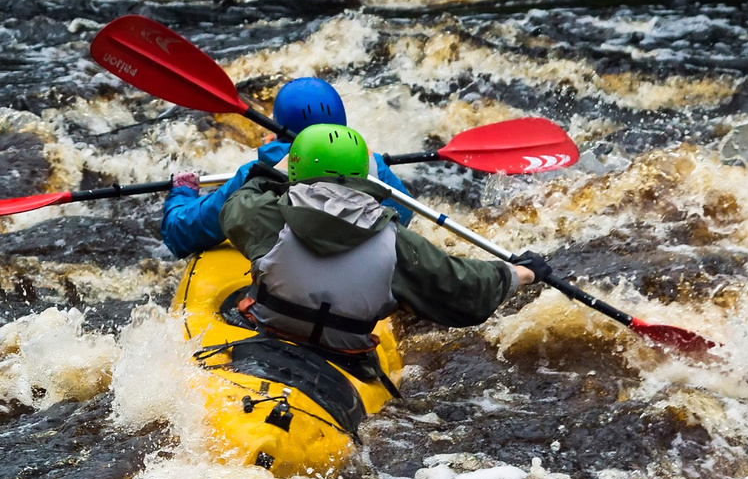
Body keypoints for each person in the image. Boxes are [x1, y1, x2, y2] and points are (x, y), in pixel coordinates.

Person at [215, 123, 536, 363]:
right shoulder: (398, 245)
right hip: (345, 356)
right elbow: (466, 289)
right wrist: (520, 273)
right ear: (368, 175)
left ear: (296, 170)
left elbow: (238, 203)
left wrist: (276, 169)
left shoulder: (268, 217)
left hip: (264, 335)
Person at [159, 77, 411, 258]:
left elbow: (182, 234)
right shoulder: (372, 166)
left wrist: (183, 192)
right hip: (356, 283)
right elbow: (404, 215)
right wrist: (372, 161)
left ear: (278, 126)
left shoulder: (258, 173)